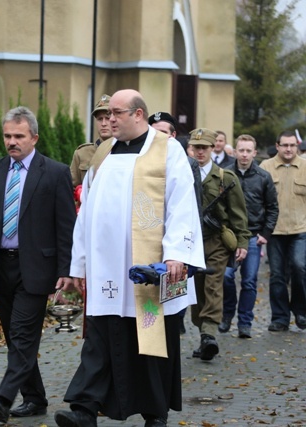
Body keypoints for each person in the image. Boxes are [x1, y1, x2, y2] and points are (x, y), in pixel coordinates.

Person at [54, 89, 205, 427]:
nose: (109, 120)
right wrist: (79, 264)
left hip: (148, 270)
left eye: (116, 113)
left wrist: (178, 254)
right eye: (107, 114)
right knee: (100, 337)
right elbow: (87, 212)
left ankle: (155, 413)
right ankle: (84, 409)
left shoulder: (168, 150)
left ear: (138, 114)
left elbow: (182, 204)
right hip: (107, 267)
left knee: (150, 339)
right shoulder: (103, 153)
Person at [0, 106, 76, 424]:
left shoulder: (54, 172)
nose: (12, 141)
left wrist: (66, 269)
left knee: (23, 336)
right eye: (8, 136)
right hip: (0, 268)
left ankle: (3, 397)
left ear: (34, 137)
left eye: (19, 136)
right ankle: (35, 399)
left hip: (37, 269)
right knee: (15, 338)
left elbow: (66, 226)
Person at [188, 128, 250, 360]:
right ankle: (204, 333)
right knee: (196, 291)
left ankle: (209, 334)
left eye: (204, 147)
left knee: (214, 285)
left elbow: (238, 214)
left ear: (213, 148)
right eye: (196, 147)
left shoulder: (225, 178)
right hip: (190, 242)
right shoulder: (183, 174)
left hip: (216, 241)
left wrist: (242, 241)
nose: (200, 152)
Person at [148, 111, 203, 334]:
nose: (158, 137)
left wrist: (187, 244)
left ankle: (175, 320)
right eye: (154, 132)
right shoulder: (142, 159)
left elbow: (193, 204)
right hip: (148, 236)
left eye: (163, 132)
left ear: (173, 135)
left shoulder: (187, 163)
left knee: (174, 293)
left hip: (178, 236)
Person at [221, 134, 278, 338]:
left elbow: (272, 207)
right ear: (235, 151)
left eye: (248, 151)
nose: (244, 155)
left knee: (249, 281)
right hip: (229, 237)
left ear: (254, 153)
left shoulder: (263, 177)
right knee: (226, 277)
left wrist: (265, 233)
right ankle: (227, 314)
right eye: (241, 150)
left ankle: (245, 322)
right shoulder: (225, 174)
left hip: (254, 236)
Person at [259, 130, 306, 332]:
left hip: (300, 228)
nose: (288, 149)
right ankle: (280, 317)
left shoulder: (305, 167)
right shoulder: (265, 167)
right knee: (277, 275)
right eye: (284, 145)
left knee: (299, 267)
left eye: (292, 145)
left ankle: (301, 311)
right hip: (274, 231)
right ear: (277, 146)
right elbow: (257, 199)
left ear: (297, 146)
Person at [70, 94, 112, 186]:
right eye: (100, 119)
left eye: (107, 118)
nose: (103, 123)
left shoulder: (124, 151)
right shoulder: (82, 153)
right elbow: (71, 189)